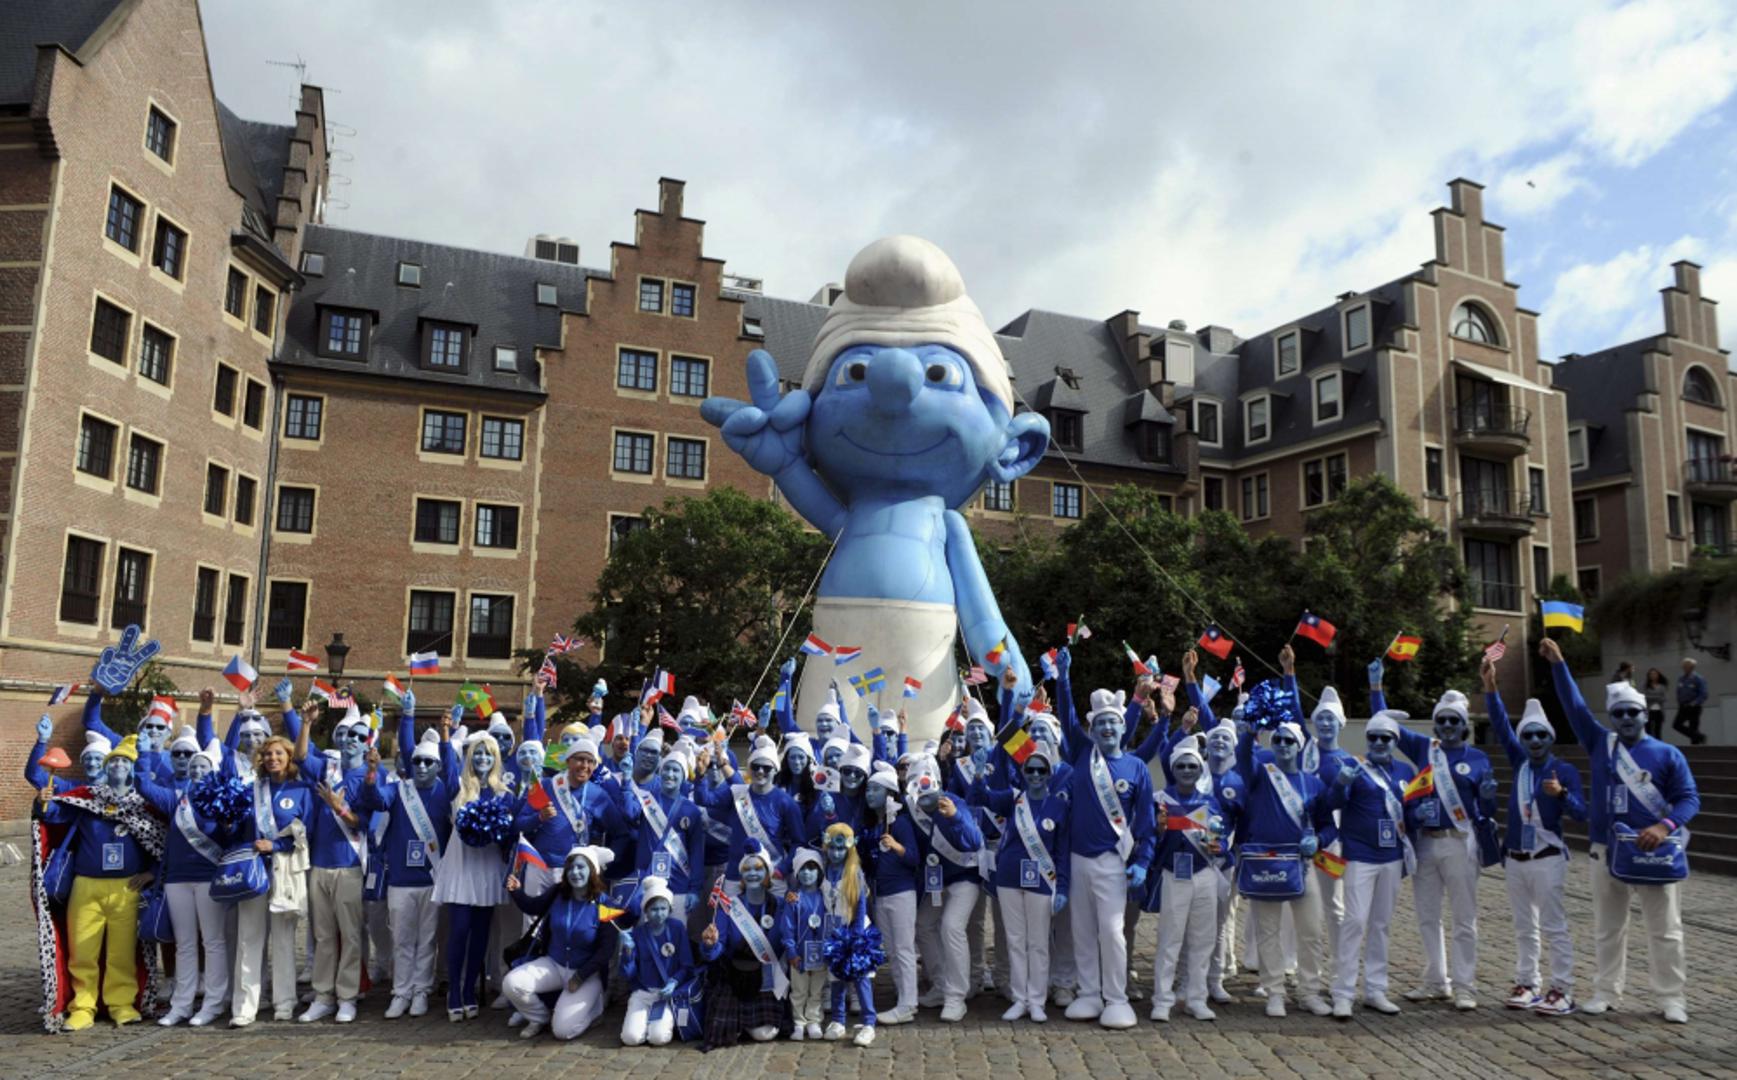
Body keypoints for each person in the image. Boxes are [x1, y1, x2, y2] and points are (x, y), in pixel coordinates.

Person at [1542, 637, 1700, 1023]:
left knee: (1665, 929)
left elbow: (1688, 799)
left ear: (1645, 714)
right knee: (1608, 927)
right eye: (1619, 713)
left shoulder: (1667, 754)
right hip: (1606, 850)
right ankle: (1606, 991)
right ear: (1612, 717)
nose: (1626, 719)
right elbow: (1574, 706)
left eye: (1632, 712)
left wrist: (1664, 826)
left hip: (1654, 850)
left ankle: (1671, 997)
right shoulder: (1600, 744)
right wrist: (1558, 663)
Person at [1375, 684, 1496, 1010]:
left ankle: (1465, 986)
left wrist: (1488, 798)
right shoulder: (1425, 749)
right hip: (1427, 842)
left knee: (1464, 918)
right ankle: (1435, 980)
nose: (1447, 725)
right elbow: (1385, 722)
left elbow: (1488, 808)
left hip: (1460, 842)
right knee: (1427, 915)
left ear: (1464, 724)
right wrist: (1377, 687)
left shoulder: (1478, 758)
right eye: (1441, 720)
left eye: (1454, 720)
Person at [35, 733, 165, 1030]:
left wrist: (152, 872)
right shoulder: (86, 801)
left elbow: (161, 841)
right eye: (114, 761)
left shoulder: (143, 806)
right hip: (86, 887)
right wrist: (42, 799)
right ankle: (83, 1006)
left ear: (132, 769)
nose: (118, 766)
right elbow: (51, 812)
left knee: (122, 953)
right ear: (106, 767)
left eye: (124, 762)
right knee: (83, 951)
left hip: (126, 889)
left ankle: (121, 1004)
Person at [1482, 657, 1585, 1016]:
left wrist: (1562, 795)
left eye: (1541, 735)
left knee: (1554, 925)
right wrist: (1491, 687)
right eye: (1529, 735)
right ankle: (1527, 982)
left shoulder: (1564, 770)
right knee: (1524, 926)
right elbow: (1500, 725)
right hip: (1515, 858)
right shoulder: (1520, 762)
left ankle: (1562, 988)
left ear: (1551, 738)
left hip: (1547, 857)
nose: (1535, 740)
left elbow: (1582, 814)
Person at [353, 691, 452, 1019]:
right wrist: (371, 774)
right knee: (402, 940)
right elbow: (375, 800)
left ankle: (421, 990)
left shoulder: (446, 792)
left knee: (427, 941)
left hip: (431, 879)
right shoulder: (399, 790)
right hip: (400, 880)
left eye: (428, 762)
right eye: (417, 761)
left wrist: (443, 732)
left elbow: (454, 769)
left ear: (438, 766)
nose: (421, 766)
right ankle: (401, 991)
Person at [1063, 688, 1156, 1030]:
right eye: (1100, 723)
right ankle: (1089, 992)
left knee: (1113, 931)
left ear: (1123, 728)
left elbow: (1147, 822)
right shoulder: (1081, 756)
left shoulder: (1136, 767)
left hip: (1114, 862)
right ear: (1092, 729)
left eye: (1112, 723)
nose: (1106, 728)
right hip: (1077, 859)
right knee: (1082, 930)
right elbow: (1067, 716)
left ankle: (1116, 998)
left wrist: (1143, 861)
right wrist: (1064, 678)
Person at [133, 712, 230, 1027]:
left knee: (212, 942)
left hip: (208, 878)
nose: (197, 771)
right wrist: (144, 754)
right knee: (185, 943)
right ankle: (181, 1004)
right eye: (194, 767)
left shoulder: (224, 801)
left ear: (213, 772)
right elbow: (144, 786)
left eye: (204, 767)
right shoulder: (178, 800)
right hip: (176, 880)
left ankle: (213, 1003)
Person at [1236, 710, 1332, 1017]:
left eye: (1289, 740)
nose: (1282, 745)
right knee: (1267, 931)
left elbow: (1329, 825)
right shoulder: (1260, 776)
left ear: (1299, 745)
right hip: (1265, 861)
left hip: (1301, 865)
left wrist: (1319, 840)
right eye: (1277, 740)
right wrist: (1249, 731)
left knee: (1311, 930)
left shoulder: (1313, 784)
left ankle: (1309, 991)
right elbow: (1242, 757)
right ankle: (1274, 992)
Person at [1324, 710, 1416, 1019]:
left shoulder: (1405, 771)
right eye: (1373, 737)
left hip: (1391, 857)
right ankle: (1343, 992)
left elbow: (1410, 811)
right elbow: (1333, 803)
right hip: (1359, 856)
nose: (1378, 742)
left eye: (1385, 738)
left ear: (1395, 741)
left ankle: (1376, 989)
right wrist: (1340, 784)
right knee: (1354, 922)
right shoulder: (1354, 766)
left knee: (1381, 924)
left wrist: (1420, 816)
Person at [287, 691, 369, 1024]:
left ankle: (347, 997)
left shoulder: (370, 776)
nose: (352, 740)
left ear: (367, 743)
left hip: (349, 865)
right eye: (347, 735)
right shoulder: (328, 767)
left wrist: (339, 807)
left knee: (350, 936)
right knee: (322, 935)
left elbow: (366, 823)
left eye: (359, 736)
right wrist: (306, 724)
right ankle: (323, 996)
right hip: (319, 863)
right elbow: (300, 757)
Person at [973, 742, 1069, 1023]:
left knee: (1038, 943)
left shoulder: (1059, 806)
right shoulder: (1013, 799)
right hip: (1008, 878)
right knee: (1014, 940)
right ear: (1024, 772)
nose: (1035, 775)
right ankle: (1019, 998)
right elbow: (978, 797)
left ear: (1049, 773)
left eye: (1041, 770)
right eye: (1030, 770)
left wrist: (1062, 888)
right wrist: (979, 773)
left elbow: (1062, 852)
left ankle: (1037, 1000)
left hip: (1042, 880)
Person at [228, 733, 312, 1027]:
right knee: (248, 939)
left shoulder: (301, 790)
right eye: (268, 754)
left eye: (279, 753)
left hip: (285, 871)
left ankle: (285, 1002)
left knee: (284, 939)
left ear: (289, 757)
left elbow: (307, 834)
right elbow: (239, 831)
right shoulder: (251, 790)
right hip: (253, 871)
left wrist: (276, 845)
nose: (272, 758)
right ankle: (245, 1006)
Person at [434, 719, 512, 1021]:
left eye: (488, 754)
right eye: (477, 753)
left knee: (480, 934)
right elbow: (446, 764)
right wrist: (445, 735)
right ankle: (454, 990)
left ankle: (469, 990)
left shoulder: (504, 792)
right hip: (460, 867)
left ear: (496, 759)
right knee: (459, 931)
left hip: (487, 868)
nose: (482, 758)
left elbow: (511, 831)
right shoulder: (457, 786)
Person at [503, 845, 621, 1040]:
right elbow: (533, 907)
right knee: (512, 983)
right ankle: (539, 1018)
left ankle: (594, 1010)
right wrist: (517, 891)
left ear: (592, 871)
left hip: (585, 973)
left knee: (563, 1031)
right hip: (554, 964)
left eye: (581, 867)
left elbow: (606, 951)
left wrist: (580, 976)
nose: (575, 872)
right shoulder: (558, 892)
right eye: (571, 868)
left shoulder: (607, 904)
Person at [1150, 738, 1226, 1023]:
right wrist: (1157, 830)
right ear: (1173, 769)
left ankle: (1196, 999)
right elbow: (1149, 839)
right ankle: (1162, 999)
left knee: (1202, 941)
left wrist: (1219, 847)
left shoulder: (1210, 801)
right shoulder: (1159, 800)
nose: (1186, 771)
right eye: (1180, 766)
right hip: (1174, 875)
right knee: (1169, 940)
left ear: (1200, 769)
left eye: (1192, 766)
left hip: (1204, 874)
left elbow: (1220, 838)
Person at [907, 754, 984, 1022]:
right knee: (924, 924)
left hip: (965, 877)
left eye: (926, 782)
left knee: (952, 926)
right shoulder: (913, 810)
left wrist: (954, 818)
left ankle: (956, 996)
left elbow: (974, 841)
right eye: (915, 783)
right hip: (937, 880)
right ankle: (941, 985)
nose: (922, 790)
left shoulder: (953, 802)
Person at [700, 841, 792, 1049]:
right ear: (741, 874)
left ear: (768, 873)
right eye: (747, 869)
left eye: (758, 869)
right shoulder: (729, 906)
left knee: (765, 1034)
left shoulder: (780, 905)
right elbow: (716, 951)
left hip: (766, 979)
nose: (752, 874)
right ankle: (740, 1022)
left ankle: (746, 1023)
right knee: (728, 1030)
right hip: (735, 978)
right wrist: (709, 945)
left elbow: (786, 942)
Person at [620, 748, 706, 922]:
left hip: (679, 883)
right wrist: (627, 780)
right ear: (660, 771)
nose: (670, 774)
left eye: (676, 770)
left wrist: (694, 889)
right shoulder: (647, 800)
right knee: (646, 935)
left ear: (683, 776)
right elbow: (629, 813)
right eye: (666, 768)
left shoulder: (691, 810)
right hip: (647, 882)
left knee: (676, 935)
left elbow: (697, 852)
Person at [864, 760, 921, 1023]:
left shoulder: (901, 823)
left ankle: (909, 1003)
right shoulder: (874, 825)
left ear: (889, 794)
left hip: (901, 893)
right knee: (892, 950)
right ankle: (902, 995)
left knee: (904, 948)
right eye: (868, 789)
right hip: (881, 894)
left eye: (875, 789)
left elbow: (913, 858)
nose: (869, 794)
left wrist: (897, 847)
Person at [818, 822, 878, 1046]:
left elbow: (860, 905)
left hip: (855, 931)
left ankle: (869, 1022)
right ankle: (838, 1020)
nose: (836, 853)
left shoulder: (854, 872)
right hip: (834, 933)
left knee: (861, 978)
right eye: (832, 848)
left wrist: (856, 937)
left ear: (849, 849)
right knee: (837, 979)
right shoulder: (823, 871)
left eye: (841, 849)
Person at [618, 874, 695, 1046]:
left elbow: (687, 964)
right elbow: (628, 974)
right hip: (643, 993)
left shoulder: (677, 928)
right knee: (631, 1038)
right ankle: (642, 1021)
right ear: (645, 911)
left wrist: (674, 982)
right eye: (653, 909)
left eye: (663, 908)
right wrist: (627, 951)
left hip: (665, 994)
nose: (659, 914)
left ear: (669, 909)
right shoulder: (637, 933)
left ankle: (658, 1023)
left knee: (658, 1038)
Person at [781, 848, 831, 1038]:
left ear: (819, 872)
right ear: (796, 873)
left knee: (816, 990)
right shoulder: (793, 899)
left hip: (820, 953)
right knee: (799, 990)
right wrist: (792, 952)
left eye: (812, 868)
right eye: (802, 869)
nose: (807, 873)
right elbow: (787, 928)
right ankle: (799, 1022)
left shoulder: (825, 897)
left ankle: (814, 1020)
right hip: (799, 954)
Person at [1674, 657, 1709, 746]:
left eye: (1687, 666)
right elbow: (1678, 691)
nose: (1684, 668)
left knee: (1693, 727)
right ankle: (1700, 737)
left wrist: (1694, 703)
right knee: (1676, 725)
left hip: (1694, 706)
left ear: (1692, 667)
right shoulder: (1681, 678)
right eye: (1683, 666)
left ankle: (1695, 748)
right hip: (1683, 706)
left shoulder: (1698, 678)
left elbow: (1703, 694)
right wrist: (1679, 701)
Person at [1643, 668, 1669, 740]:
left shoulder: (1662, 686)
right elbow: (1645, 697)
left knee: (1657, 730)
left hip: (1659, 710)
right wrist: (1656, 697)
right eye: (1651, 674)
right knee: (1648, 730)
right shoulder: (1646, 686)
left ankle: (1658, 744)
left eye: (1654, 674)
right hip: (1649, 710)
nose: (1653, 676)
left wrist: (1652, 697)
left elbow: (1664, 698)